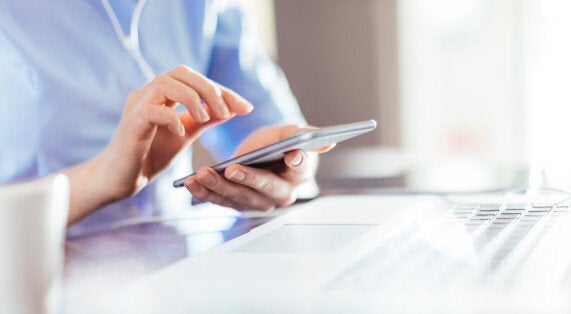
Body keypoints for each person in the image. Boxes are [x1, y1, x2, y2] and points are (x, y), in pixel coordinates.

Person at [0, 0, 327, 234]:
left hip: (173, 271)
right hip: (34, 284)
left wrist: (284, 166)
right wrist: (98, 179)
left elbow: (270, 132)